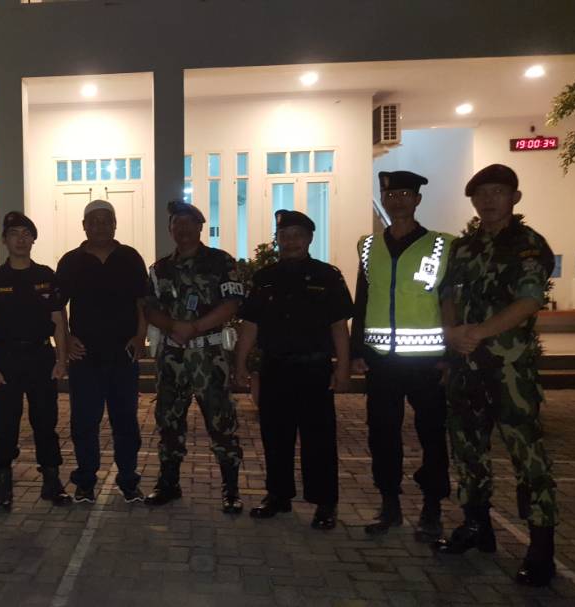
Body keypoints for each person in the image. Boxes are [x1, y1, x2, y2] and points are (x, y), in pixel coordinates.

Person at [433, 164, 558, 587]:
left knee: (528, 457)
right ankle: (476, 526)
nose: (488, 200)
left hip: (509, 370)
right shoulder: (463, 248)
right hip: (466, 367)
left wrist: (479, 332)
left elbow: (529, 300)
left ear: (514, 198)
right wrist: (451, 331)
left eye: (498, 192)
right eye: (481, 193)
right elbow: (447, 295)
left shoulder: (528, 245)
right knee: (467, 449)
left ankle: (541, 547)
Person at [233, 209, 352, 531]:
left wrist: (343, 369)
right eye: (284, 236)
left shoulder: (327, 276)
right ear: (277, 240)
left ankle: (324, 502)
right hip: (275, 369)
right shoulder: (265, 277)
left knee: (319, 439)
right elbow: (250, 324)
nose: (291, 241)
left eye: (297, 235)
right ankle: (278, 495)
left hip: (314, 369)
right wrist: (241, 363)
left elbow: (339, 326)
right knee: (275, 436)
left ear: (310, 239)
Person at [351, 171, 452, 540]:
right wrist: (357, 350)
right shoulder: (367, 246)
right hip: (382, 361)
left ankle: (432, 507)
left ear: (418, 200)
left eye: (406, 194)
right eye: (391, 195)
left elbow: (450, 301)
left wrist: (450, 355)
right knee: (382, 434)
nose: (398, 201)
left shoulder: (442, 245)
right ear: (384, 199)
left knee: (432, 435)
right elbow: (363, 300)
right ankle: (389, 504)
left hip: (427, 360)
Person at [144, 201, 245, 513]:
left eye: (189, 223)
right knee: (169, 421)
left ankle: (231, 489)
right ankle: (168, 483)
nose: (183, 229)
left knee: (221, 421)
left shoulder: (220, 261)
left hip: (209, 355)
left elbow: (232, 303)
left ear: (201, 227)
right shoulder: (159, 269)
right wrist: (173, 326)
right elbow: (149, 308)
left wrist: (195, 327)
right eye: (177, 223)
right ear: (170, 229)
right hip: (172, 356)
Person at [56, 200, 148, 503]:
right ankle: (85, 480)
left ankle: (128, 480)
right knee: (84, 422)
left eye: (106, 220)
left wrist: (140, 336)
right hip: (85, 357)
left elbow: (142, 302)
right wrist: (66, 338)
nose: (100, 226)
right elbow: (58, 307)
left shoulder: (130, 258)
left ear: (115, 224)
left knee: (126, 422)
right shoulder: (70, 261)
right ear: (84, 226)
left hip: (123, 356)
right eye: (93, 221)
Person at [0, 211, 72, 512]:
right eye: (14, 233)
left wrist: (61, 359)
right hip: (6, 358)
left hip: (40, 357)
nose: (21, 239)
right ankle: (3, 486)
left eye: (26, 234)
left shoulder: (46, 276)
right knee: (4, 424)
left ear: (33, 239)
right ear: (4, 240)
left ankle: (51, 481)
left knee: (46, 421)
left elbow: (58, 320)